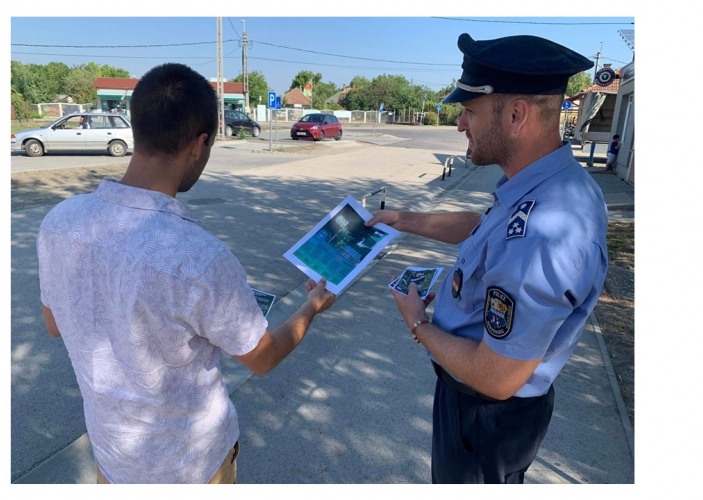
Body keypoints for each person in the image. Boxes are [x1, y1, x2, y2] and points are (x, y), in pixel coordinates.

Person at [36, 62, 336, 484]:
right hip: (192, 468)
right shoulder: (200, 258)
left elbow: (54, 324)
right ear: (199, 144)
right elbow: (262, 357)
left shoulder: (60, 222)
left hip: (113, 461)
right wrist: (311, 307)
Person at [366, 33, 608, 484]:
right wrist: (402, 220)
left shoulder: (542, 232)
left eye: (470, 112)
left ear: (516, 115)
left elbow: (496, 378)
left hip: (485, 416)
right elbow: (486, 225)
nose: (461, 125)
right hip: (484, 408)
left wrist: (419, 324)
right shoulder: (548, 184)